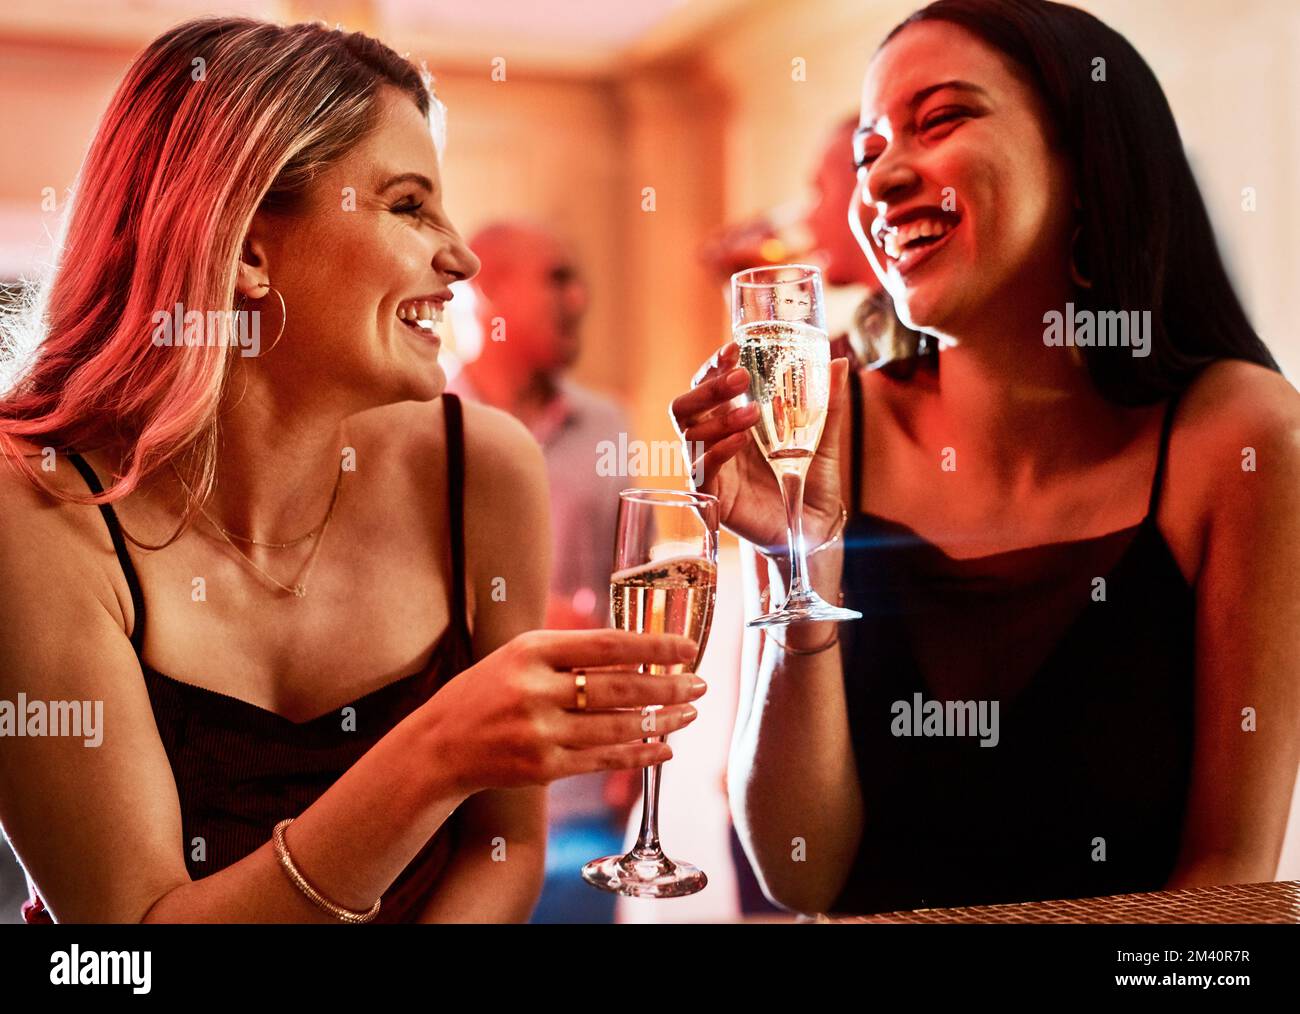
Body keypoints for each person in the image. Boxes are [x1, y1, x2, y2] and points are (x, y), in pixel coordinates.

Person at [0, 17, 705, 924]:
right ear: (249, 249)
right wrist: (435, 753)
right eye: (409, 206)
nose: (462, 257)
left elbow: (506, 849)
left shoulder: (480, 467)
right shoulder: (38, 506)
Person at [674, 0, 1300, 916]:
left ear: (1086, 161)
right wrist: (791, 561)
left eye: (941, 119)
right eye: (868, 151)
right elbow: (800, 871)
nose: (881, 176)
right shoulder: (828, 427)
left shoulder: (1241, 438)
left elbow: (1226, 881)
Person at [446, 222, 635, 921]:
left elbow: (631, 589)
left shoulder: (611, 425)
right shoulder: (415, 425)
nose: (580, 297)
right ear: (488, 288)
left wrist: (634, 748)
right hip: (462, 799)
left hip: (587, 787)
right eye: (557, 277)